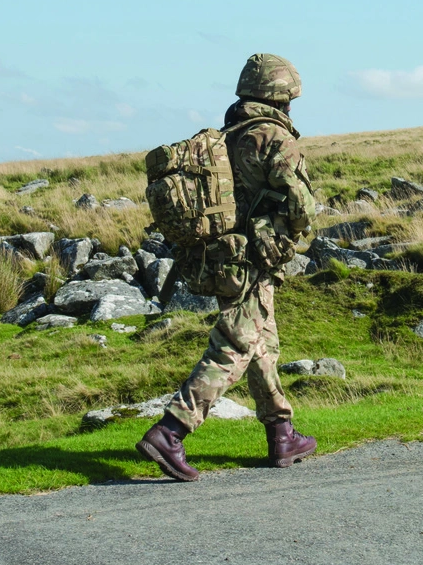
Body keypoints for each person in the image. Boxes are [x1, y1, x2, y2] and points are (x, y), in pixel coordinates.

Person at [136, 53, 319, 481]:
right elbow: (302, 206)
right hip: (253, 259)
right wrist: (288, 234)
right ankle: (171, 431)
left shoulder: (226, 137)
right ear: (282, 96)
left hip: (220, 257)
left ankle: (282, 434)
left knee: (261, 344)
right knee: (234, 347)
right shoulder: (274, 136)